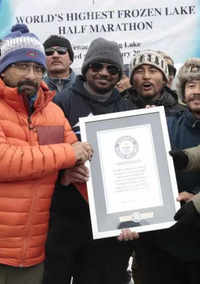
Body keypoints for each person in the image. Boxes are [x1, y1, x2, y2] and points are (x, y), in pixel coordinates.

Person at [0, 24, 93, 284]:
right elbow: (5, 161)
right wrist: (67, 154)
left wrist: (122, 218)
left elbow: (77, 164)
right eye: (22, 66)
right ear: (4, 70)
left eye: (38, 69)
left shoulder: (53, 112)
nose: (31, 75)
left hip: (33, 254)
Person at [43, 37, 133, 284]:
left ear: (118, 74)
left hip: (108, 226)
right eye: (97, 67)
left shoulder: (127, 109)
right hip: (65, 218)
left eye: (112, 69)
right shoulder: (58, 105)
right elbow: (44, 156)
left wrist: (132, 215)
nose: (104, 73)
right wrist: (63, 175)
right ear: (86, 69)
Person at [130, 57, 200, 284]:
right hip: (164, 243)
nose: (196, 92)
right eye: (191, 85)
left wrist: (196, 199)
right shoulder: (168, 122)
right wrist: (146, 123)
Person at [122, 49, 184, 115]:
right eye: (140, 71)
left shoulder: (181, 114)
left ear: (164, 79)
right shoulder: (117, 110)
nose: (146, 76)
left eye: (152, 71)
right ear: (132, 80)